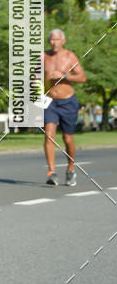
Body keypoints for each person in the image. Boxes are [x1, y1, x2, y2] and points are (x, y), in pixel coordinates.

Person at [43, 29, 86, 186]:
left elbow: (82, 77)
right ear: (49, 41)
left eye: (58, 39)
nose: (55, 42)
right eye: (52, 39)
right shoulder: (43, 56)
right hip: (49, 102)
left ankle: (70, 168)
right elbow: (34, 75)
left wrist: (65, 76)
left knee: (68, 138)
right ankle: (52, 173)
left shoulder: (70, 56)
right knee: (48, 136)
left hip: (68, 101)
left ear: (63, 41)